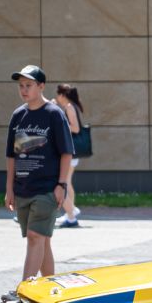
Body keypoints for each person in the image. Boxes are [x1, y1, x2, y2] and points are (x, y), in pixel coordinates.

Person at [5, 65, 75, 283]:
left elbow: (66, 152)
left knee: (35, 237)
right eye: (21, 86)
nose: (24, 90)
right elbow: (11, 156)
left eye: (29, 85)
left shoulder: (54, 114)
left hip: (47, 189)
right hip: (23, 189)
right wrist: (9, 189)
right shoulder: (18, 115)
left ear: (41, 86)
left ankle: (24, 289)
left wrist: (61, 185)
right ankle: (50, 290)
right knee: (42, 241)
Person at [54, 83, 86, 228]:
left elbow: (75, 128)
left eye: (58, 95)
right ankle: (70, 212)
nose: (57, 98)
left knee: (63, 184)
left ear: (62, 95)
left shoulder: (69, 107)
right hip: (72, 152)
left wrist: (60, 124)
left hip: (70, 152)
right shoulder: (71, 106)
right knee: (67, 182)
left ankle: (71, 214)